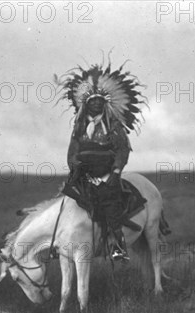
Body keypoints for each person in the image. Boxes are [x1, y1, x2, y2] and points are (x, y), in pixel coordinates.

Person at [59, 61, 146, 261]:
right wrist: (74, 166)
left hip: (107, 174)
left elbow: (122, 150)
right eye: (92, 101)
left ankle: (117, 246)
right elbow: (72, 150)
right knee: (65, 202)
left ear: (104, 103)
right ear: (86, 104)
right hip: (84, 175)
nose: (96, 103)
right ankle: (63, 243)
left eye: (99, 101)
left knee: (111, 206)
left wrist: (115, 173)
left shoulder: (113, 125)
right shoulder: (79, 126)